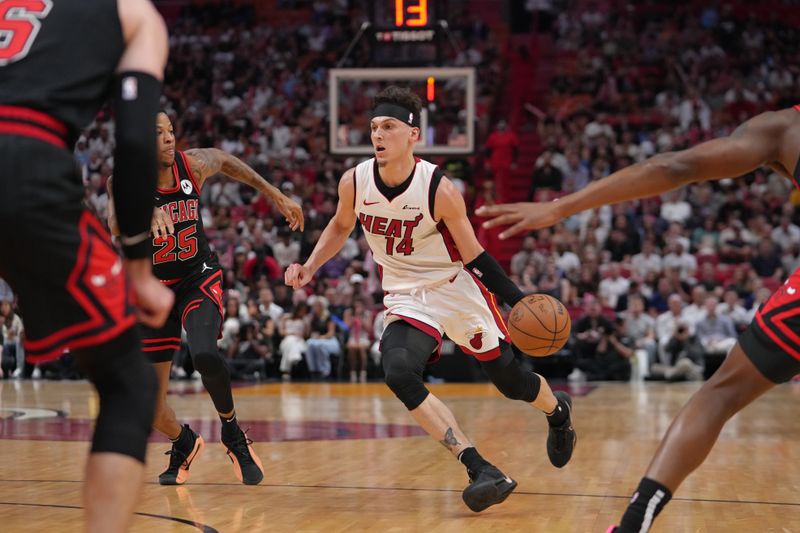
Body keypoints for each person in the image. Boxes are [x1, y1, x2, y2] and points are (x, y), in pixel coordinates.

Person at [478, 105, 800, 532]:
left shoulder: (787, 125)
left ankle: (632, 527)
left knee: (718, 396)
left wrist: (561, 207)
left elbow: (675, 165)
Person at [285, 86, 576, 512]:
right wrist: (310, 265)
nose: (378, 135)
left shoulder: (438, 187)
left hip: (455, 287)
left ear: (412, 135)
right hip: (406, 294)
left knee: (511, 383)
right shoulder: (355, 180)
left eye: (388, 127)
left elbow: (474, 255)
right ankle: (479, 468)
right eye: (373, 128)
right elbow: (340, 224)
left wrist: (516, 299)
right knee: (399, 371)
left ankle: (558, 412)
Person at [0, 0, 171, 530]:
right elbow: (138, 141)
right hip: (25, 164)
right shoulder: (133, 13)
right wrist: (139, 266)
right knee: (128, 384)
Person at [107, 112, 304, 486]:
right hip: (153, 289)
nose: (168, 138)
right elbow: (115, 223)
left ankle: (231, 431)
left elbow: (228, 161)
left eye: (170, 130)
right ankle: (184, 442)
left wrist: (274, 193)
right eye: (157, 132)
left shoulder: (192, 165)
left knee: (205, 354)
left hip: (197, 277)